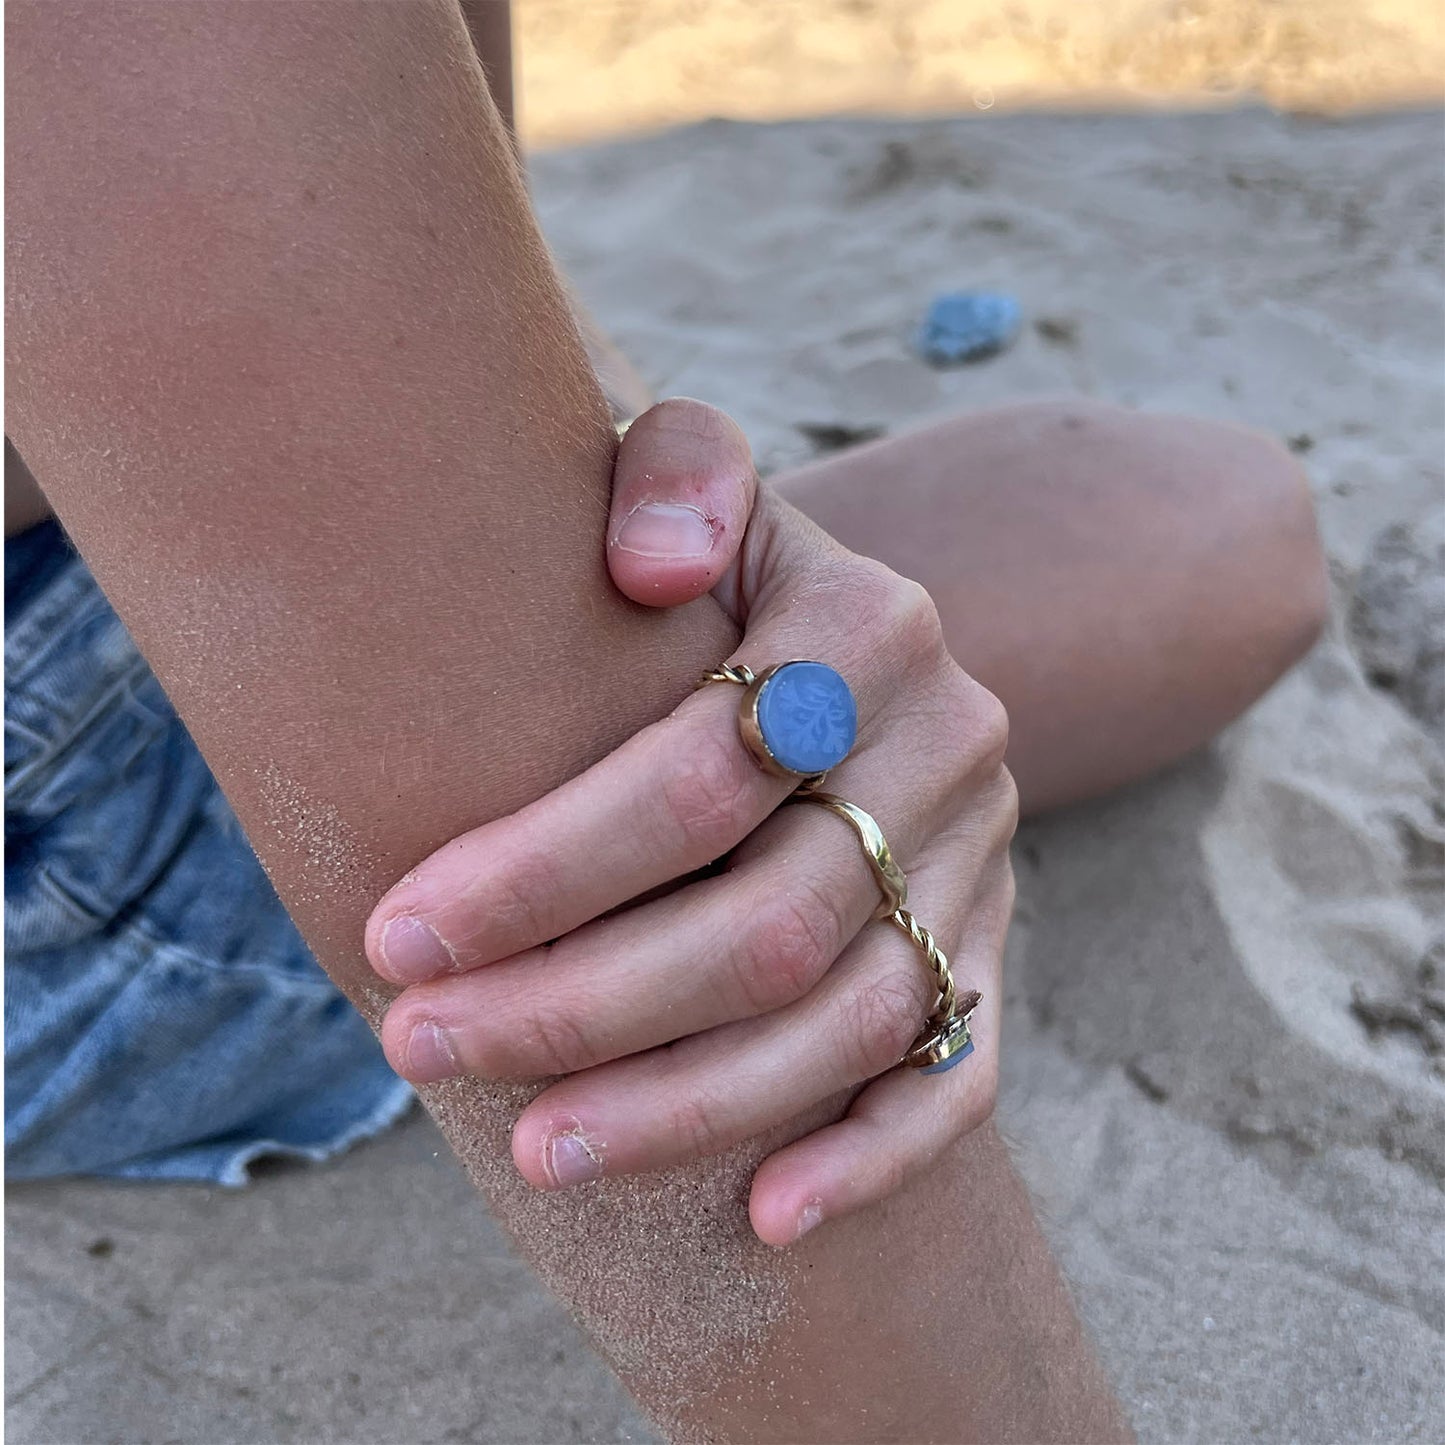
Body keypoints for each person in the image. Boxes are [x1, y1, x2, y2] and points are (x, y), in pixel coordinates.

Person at [5, 3, 1326, 1440]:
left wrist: (674, 495)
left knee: (1218, 528)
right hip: (63, 792)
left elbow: (410, 196)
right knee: (632, 906)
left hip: (128, 471)